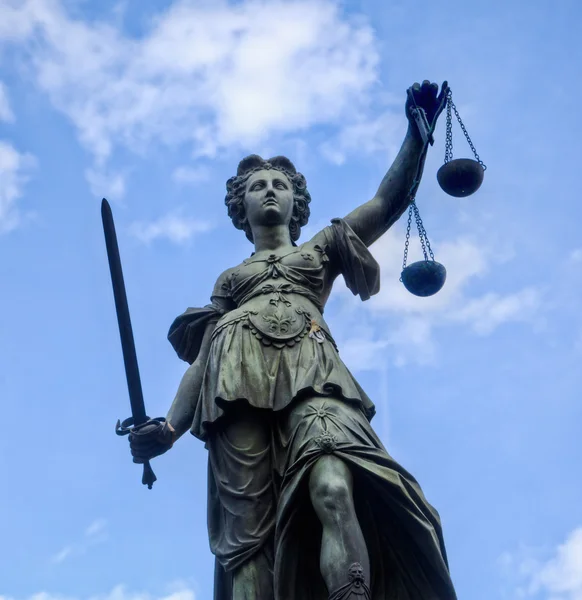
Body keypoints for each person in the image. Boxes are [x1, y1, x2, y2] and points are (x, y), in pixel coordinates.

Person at [129, 80, 458, 600]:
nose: (269, 191)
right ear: (242, 206)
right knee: (248, 543)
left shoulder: (324, 248)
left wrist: (417, 134)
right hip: (233, 383)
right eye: (258, 186)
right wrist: (170, 428)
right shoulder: (231, 281)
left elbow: (386, 201)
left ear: (295, 200)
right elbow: (205, 358)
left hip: (314, 376)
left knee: (333, 483)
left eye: (279, 184)